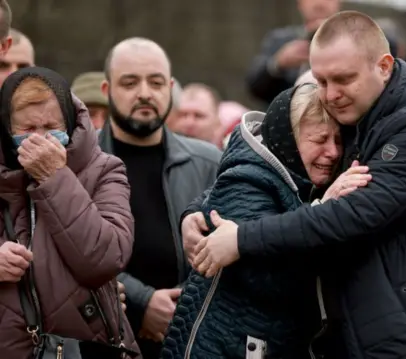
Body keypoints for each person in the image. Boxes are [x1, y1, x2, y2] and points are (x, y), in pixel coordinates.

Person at [183, 10, 406, 358]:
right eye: (321, 81)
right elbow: (270, 170)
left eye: (342, 79)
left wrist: (241, 239)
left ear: (384, 66)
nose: (330, 94)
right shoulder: (356, 112)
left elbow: (354, 215)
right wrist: (198, 213)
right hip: (358, 339)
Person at [163, 83, 370, 359]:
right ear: (289, 141)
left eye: (338, 141)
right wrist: (325, 209)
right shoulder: (246, 179)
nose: (333, 152)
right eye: (320, 140)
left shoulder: (307, 178)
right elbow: (270, 279)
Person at [0, 67, 139, 358]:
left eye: (52, 127)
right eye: (27, 130)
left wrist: (54, 177)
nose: (40, 139)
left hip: (83, 346)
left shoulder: (104, 170)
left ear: (70, 124)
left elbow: (108, 256)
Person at [99, 37, 222, 359]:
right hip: (103, 342)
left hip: (191, 340)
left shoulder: (210, 163)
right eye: (129, 82)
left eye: (155, 82)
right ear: (106, 90)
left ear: (169, 88)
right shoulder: (80, 165)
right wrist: (143, 303)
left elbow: (230, 248)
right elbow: (70, 252)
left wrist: (178, 307)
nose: (144, 93)